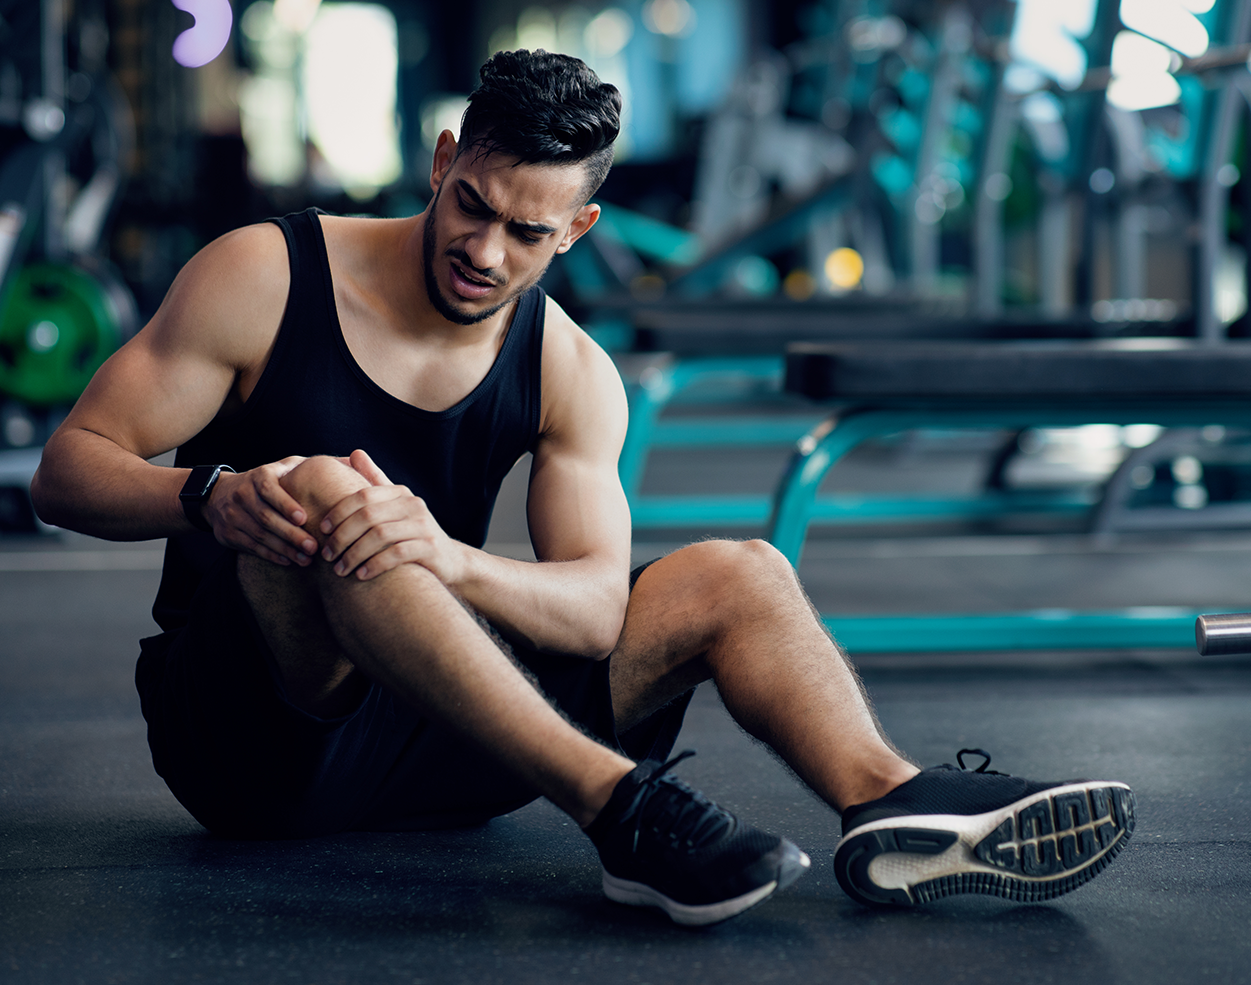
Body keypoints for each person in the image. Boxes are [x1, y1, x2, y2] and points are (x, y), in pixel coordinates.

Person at [30, 49, 1134, 926]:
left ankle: (893, 805)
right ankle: (624, 810)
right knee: (330, 495)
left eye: (528, 233)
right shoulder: (265, 275)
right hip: (262, 744)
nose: (486, 252)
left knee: (739, 571)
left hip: (461, 739)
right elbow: (64, 470)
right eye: (472, 205)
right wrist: (207, 494)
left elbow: (600, 608)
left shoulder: (568, 367)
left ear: (581, 228)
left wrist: (450, 554)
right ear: (444, 158)